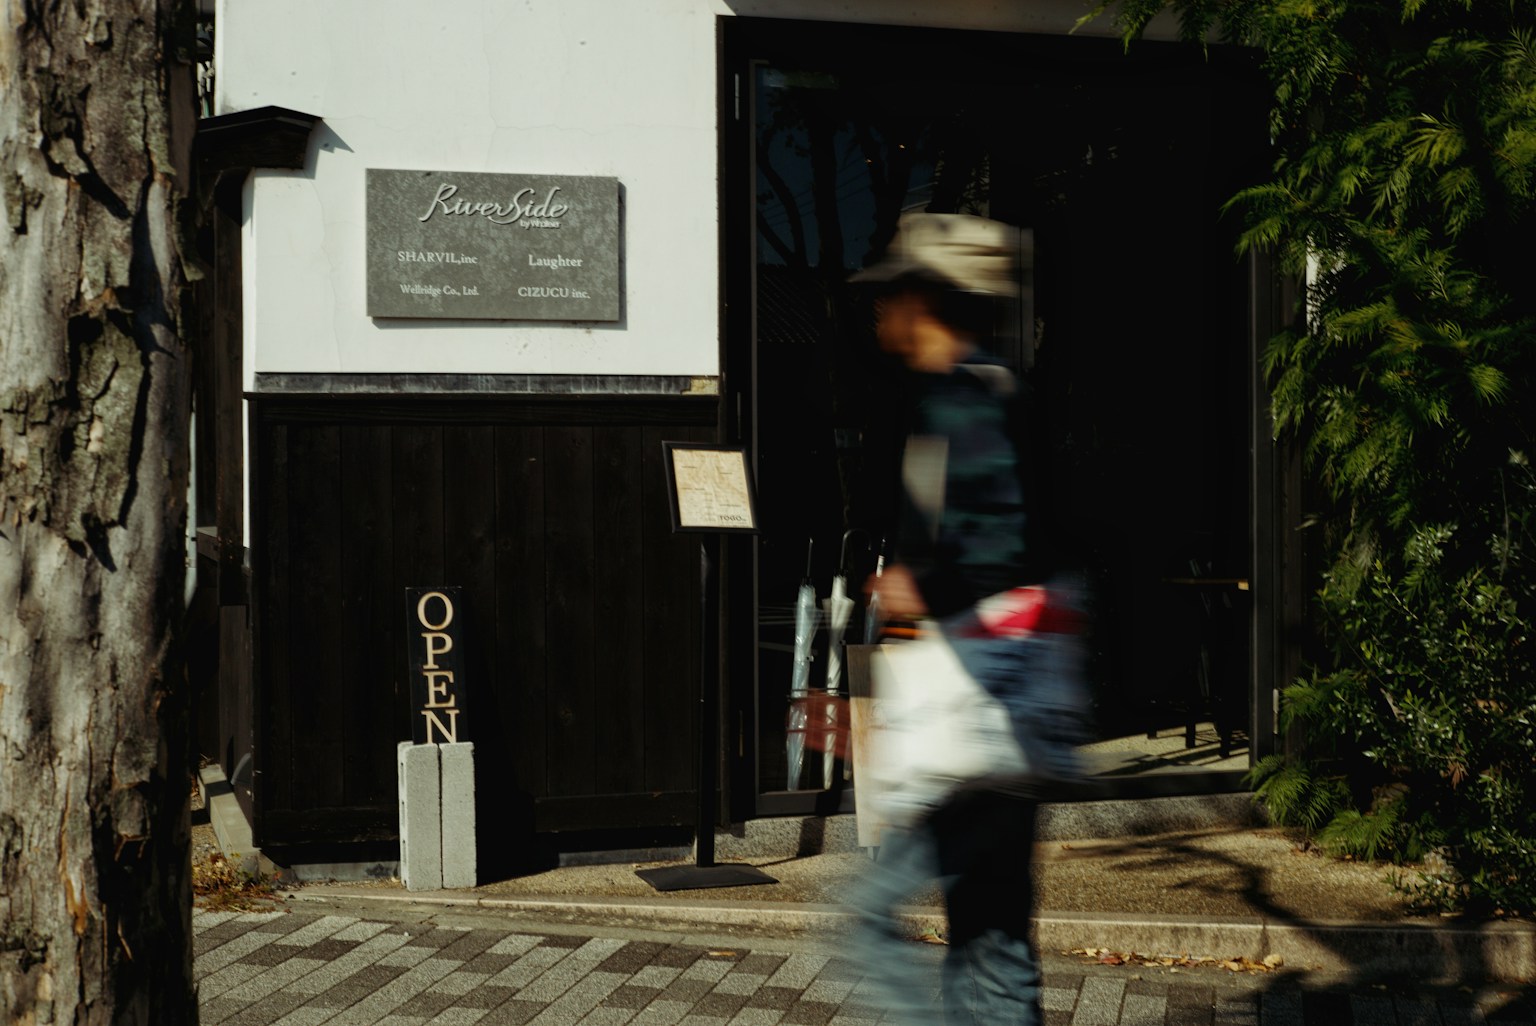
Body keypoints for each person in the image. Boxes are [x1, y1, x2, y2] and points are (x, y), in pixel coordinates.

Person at [848, 212, 1092, 1025]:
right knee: (991, 936)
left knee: (870, 920)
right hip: (1007, 721)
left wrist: (921, 588)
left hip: (973, 720)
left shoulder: (964, 403)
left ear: (926, 300)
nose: (880, 312)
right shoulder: (995, 390)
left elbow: (999, 545)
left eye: (891, 295)